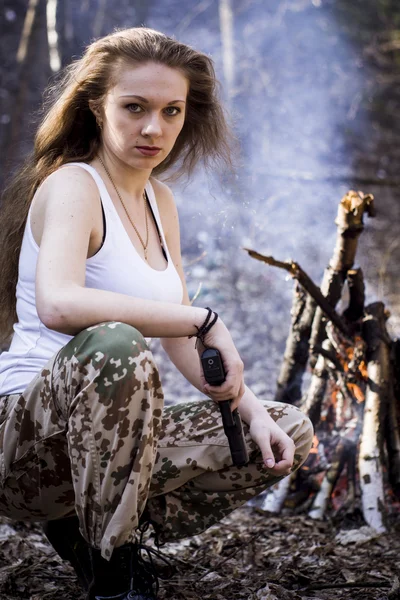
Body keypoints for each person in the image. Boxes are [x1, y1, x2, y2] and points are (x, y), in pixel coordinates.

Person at [0, 27, 313, 600]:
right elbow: (59, 304)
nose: (154, 128)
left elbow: (176, 331)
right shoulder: (74, 185)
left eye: (172, 111)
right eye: (134, 107)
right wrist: (203, 317)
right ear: (96, 107)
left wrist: (245, 405)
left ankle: (93, 531)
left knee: (286, 428)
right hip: (25, 442)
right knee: (117, 342)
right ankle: (113, 576)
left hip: (103, 449)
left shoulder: (159, 200)